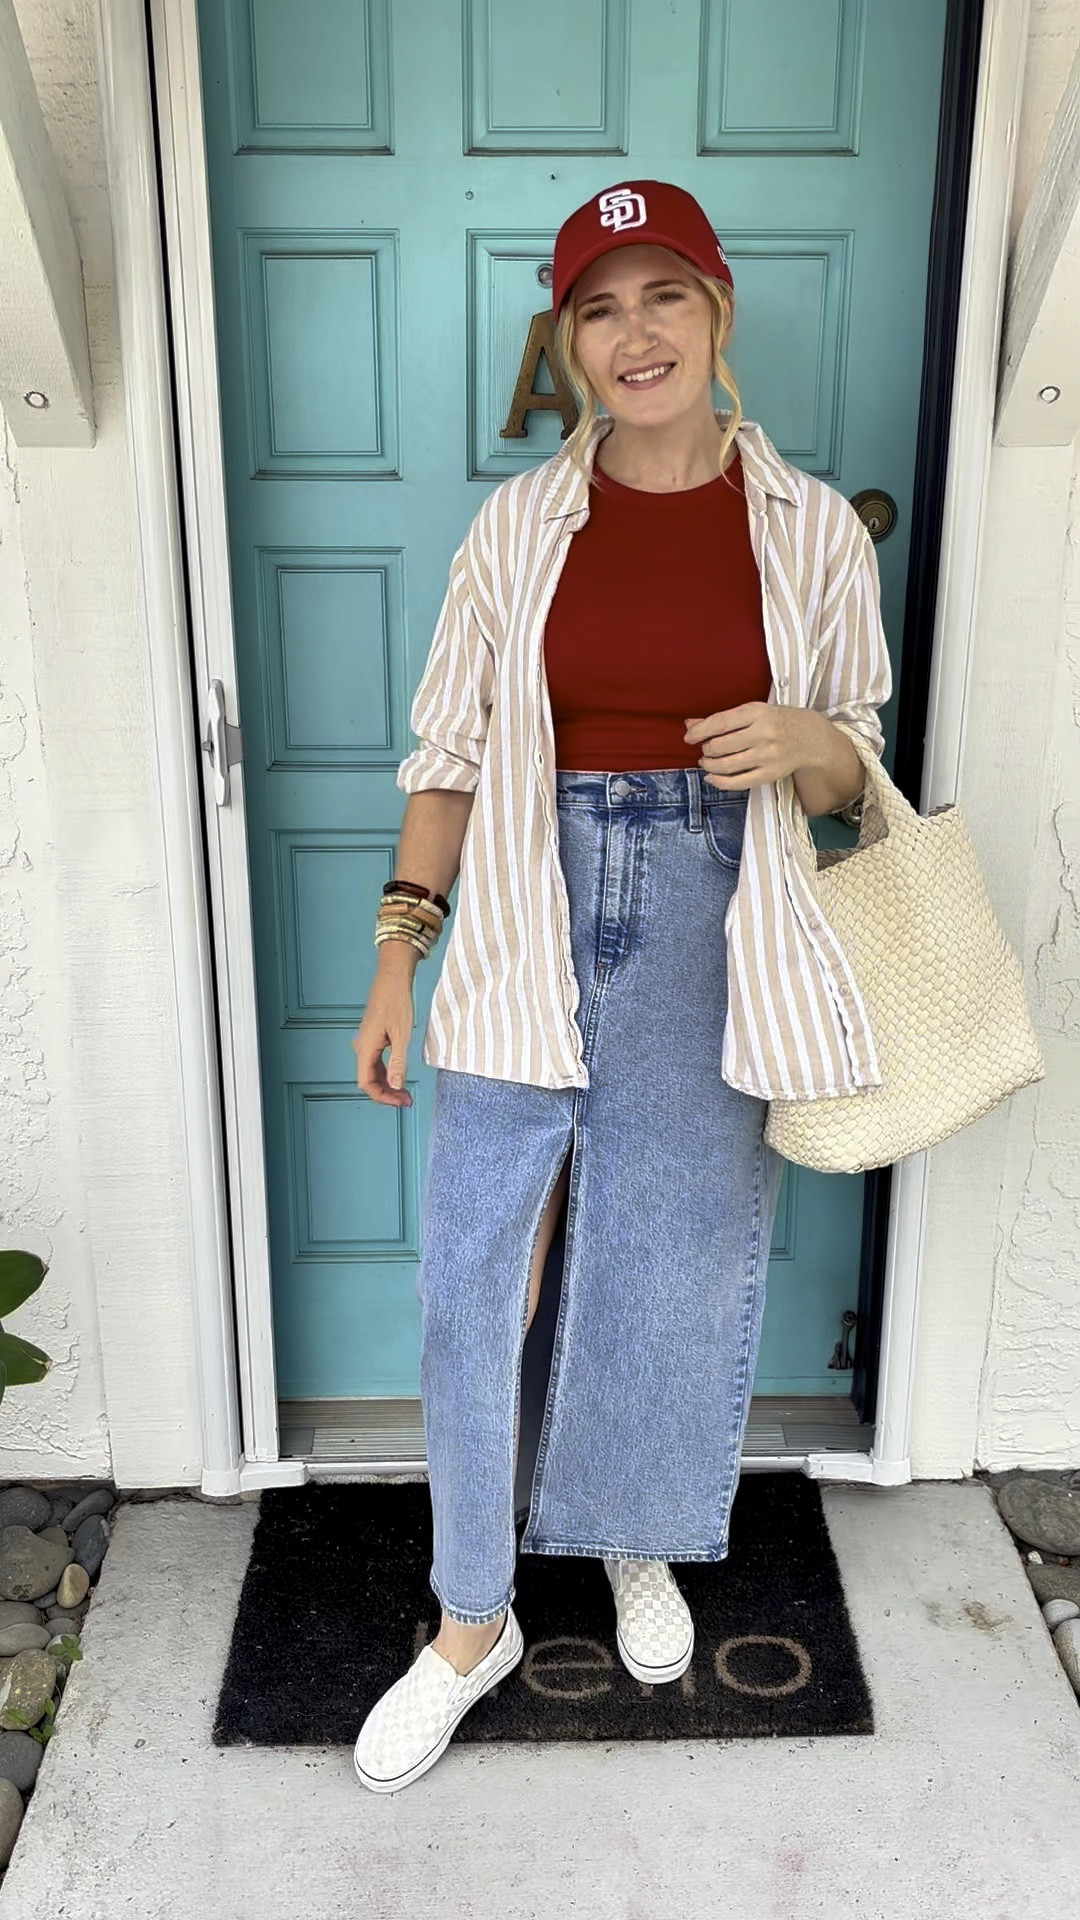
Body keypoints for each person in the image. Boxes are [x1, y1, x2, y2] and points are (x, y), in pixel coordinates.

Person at [350, 180, 891, 1793]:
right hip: (526, 900)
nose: (633, 332)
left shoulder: (803, 530)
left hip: (717, 910)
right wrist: (398, 955)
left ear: (718, 317)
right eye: (599, 305)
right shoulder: (518, 527)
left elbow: (861, 761)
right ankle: (471, 1618)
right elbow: (447, 758)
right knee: (472, 1280)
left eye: (664, 296)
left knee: (662, 1257)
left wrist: (814, 747)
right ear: (570, 344)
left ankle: (634, 1535)